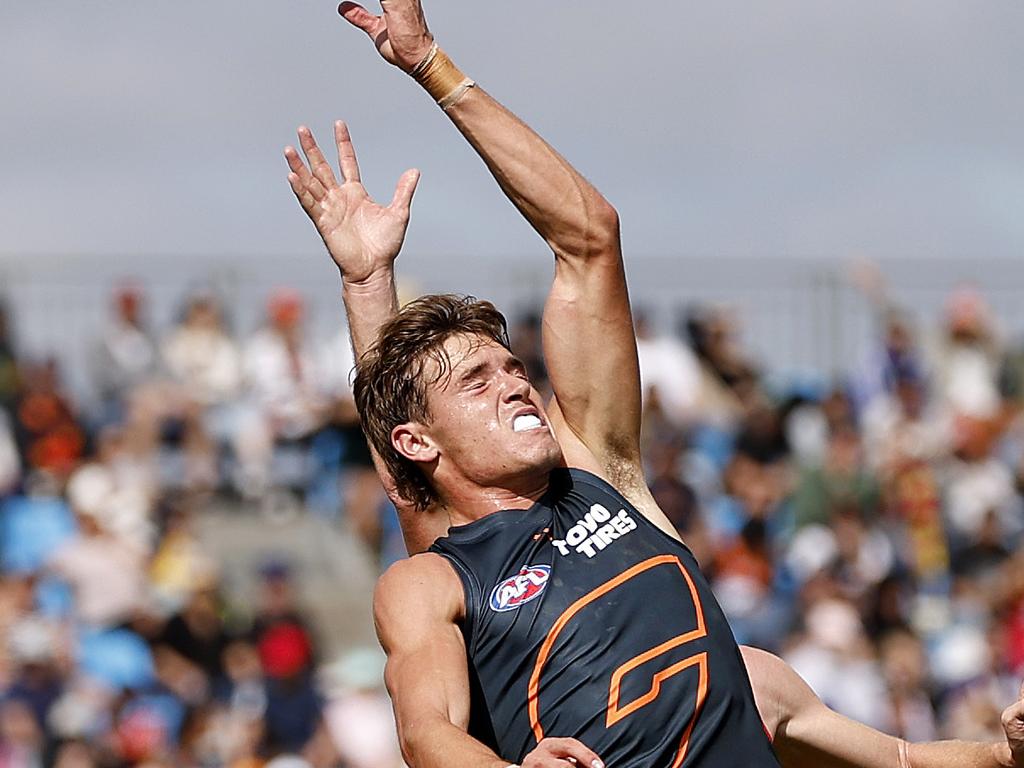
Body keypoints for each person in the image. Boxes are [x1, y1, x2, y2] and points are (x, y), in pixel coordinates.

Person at [284, 2, 1024, 766]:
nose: (515, 384)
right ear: (418, 441)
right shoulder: (436, 579)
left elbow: (589, 238)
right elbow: (426, 735)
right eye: (478, 380)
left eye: (512, 367)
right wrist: (368, 284)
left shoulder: (621, 498)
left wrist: (433, 64)